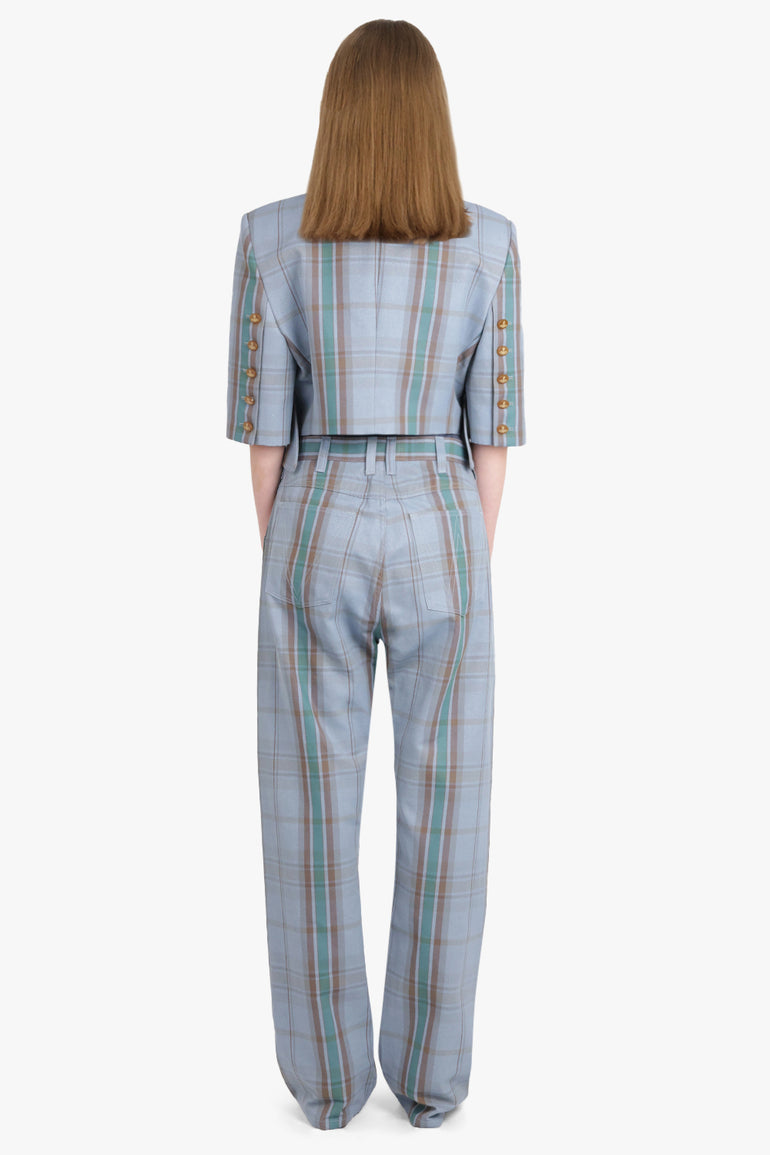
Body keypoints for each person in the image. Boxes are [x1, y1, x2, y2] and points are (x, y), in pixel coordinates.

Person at [225, 18, 525, 1130]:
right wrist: (460, 558)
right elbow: (493, 439)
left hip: (316, 504)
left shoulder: (270, 239)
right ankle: (432, 1085)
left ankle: (324, 1087)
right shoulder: (490, 245)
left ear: (337, 117)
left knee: (306, 804)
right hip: (445, 511)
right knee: (451, 805)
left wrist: (294, 557)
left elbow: (265, 441)